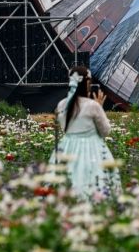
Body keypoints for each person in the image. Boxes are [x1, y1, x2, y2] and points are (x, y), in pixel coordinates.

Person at [50, 65, 121, 199]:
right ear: (87, 83)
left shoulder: (62, 105)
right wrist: (100, 107)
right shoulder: (92, 106)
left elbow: (65, 128)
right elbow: (106, 131)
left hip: (67, 148)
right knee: (96, 181)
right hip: (92, 149)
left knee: (66, 180)